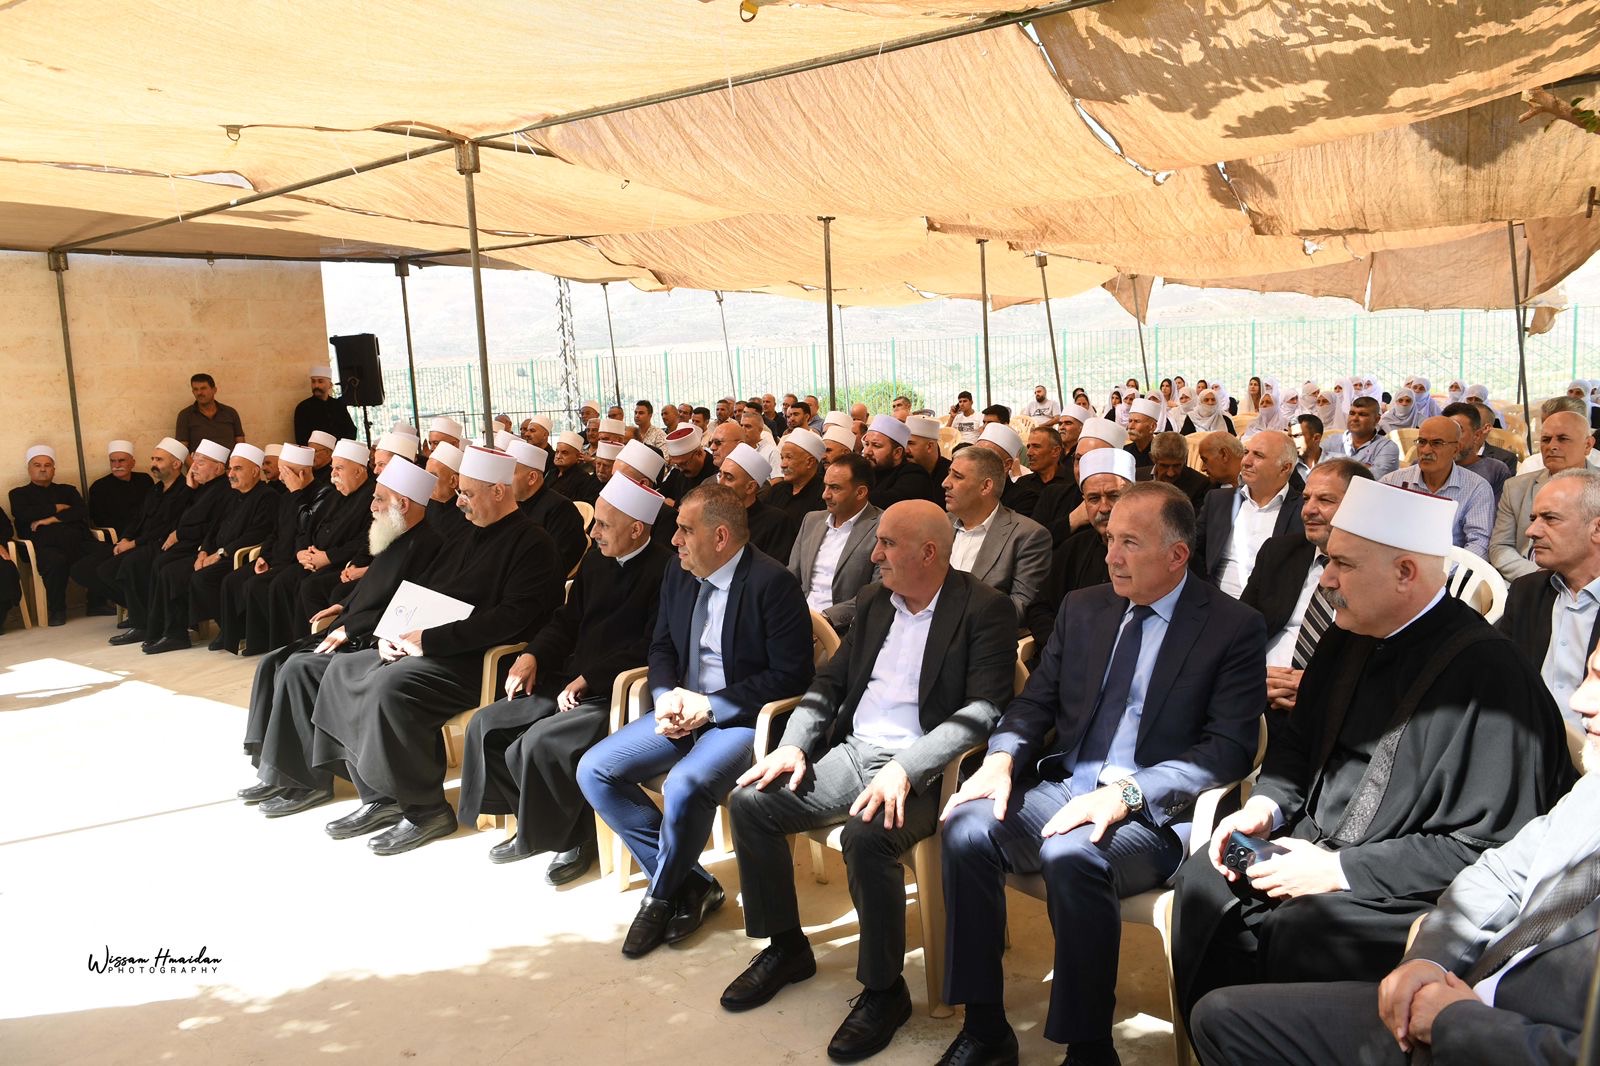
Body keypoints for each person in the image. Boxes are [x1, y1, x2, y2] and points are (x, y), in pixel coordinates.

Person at [1171, 477, 1575, 1026]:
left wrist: (1338, 870)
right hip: (1313, 841)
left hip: (1413, 888)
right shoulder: (1348, 633)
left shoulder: (1492, 679)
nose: (1326, 580)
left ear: (1405, 572)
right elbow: (1298, 746)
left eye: (1342, 564)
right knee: (1202, 878)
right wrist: (1264, 807)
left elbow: (1486, 847)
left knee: (1303, 929)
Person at [937, 481, 1265, 1066]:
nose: (1111, 555)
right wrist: (1002, 756)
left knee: (1072, 855)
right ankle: (985, 1027)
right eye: (1110, 539)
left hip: (1154, 811)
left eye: (1129, 543)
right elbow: (1036, 701)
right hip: (1068, 784)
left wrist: (1129, 793)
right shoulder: (1084, 607)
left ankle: (1089, 1047)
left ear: (1177, 555)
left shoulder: (1231, 626)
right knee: (964, 827)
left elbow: (1228, 748)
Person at [1188, 642, 1600, 1066]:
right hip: (1454, 989)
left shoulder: (1491, 671)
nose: (1578, 701)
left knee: (1303, 928)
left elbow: (1477, 843)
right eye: (1589, 673)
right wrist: (1429, 959)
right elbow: (1503, 875)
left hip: (1494, 1037)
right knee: (1218, 1004)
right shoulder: (1594, 790)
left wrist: (1455, 1020)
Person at [722, 500, 1017, 1060]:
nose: (874, 554)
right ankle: (787, 947)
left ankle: (884, 990)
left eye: (887, 543)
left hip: (927, 770)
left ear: (928, 552)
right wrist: (792, 745)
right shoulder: (876, 600)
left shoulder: (985, 609)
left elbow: (983, 710)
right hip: (855, 752)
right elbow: (829, 684)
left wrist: (908, 767)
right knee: (751, 801)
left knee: (867, 836)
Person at [578, 484, 814, 957]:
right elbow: (662, 646)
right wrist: (665, 695)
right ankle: (693, 883)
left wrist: (711, 706)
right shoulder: (679, 571)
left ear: (720, 537)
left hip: (741, 720)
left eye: (685, 530)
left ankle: (658, 897)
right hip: (681, 709)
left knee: (684, 784)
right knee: (595, 770)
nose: (675, 540)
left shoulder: (772, 583)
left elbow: (791, 676)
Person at [305, 447, 562, 854]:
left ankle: (426, 810)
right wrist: (392, 634)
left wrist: (430, 641)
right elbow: (422, 591)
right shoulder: (466, 533)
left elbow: (511, 619)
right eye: (459, 493)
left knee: (391, 687)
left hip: (481, 659)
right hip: (433, 648)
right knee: (343, 669)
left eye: (468, 494)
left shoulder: (533, 543)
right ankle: (379, 796)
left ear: (498, 491)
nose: (459, 502)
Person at [456, 476, 673, 883]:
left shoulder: (667, 570)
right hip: (570, 680)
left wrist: (590, 678)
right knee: (488, 725)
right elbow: (566, 621)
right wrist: (533, 654)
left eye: (603, 525)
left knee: (541, 743)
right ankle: (534, 821)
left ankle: (575, 839)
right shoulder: (596, 560)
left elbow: (653, 645)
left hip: (617, 692)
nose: (594, 532)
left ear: (636, 529)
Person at [241, 457, 445, 815]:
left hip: (374, 638)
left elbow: (407, 609)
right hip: (355, 626)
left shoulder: (428, 545)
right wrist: (342, 606)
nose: (372, 506)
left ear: (403, 504)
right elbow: (371, 587)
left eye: (379, 499)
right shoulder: (393, 535)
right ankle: (275, 769)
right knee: (273, 661)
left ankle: (306, 781)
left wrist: (350, 627)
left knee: (297, 669)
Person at [1240, 459, 1373, 713]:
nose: (1308, 510)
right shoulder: (1278, 552)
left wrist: (1319, 685)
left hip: (1334, 704)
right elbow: (1240, 627)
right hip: (1258, 693)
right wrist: (1252, 675)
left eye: (1325, 500)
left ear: (1360, 507)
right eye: (1306, 498)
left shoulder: (1376, 572)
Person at [143, 443, 276, 653]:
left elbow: (257, 533)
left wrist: (220, 553)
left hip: (235, 557)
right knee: (171, 571)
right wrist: (203, 552)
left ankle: (231, 628)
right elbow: (214, 528)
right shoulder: (233, 494)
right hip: (215, 553)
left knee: (201, 579)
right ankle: (174, 634)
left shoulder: (267, 496)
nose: (231, 474)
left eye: (237, 469)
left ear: (254, 471)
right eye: (231, 469)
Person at [250, 439, 374, 653]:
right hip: (315, 559)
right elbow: (307, 529)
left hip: (341, 562)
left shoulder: (371, 497)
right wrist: (302, 552)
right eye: (333, 468)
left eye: (339, 468)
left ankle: (313, 645)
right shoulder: (336, 494)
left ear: (358, 471)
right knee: (283, 582)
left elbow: (366, 540)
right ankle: (286, 645)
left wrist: (328, 557)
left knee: (308, 586)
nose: (333, 474)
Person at [1496, 468, 1600, 722]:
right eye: (1533, 518)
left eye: (1550, 518)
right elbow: (1500, 671)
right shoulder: (1526, 592)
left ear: (1597, 529)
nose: (1531, 531)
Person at [109, 440, 232, 644]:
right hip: (189, 544)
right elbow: (184, 516)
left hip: (199, 547)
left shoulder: (224, 490)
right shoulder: (199, 488)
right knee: (157, 563)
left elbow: (210, 526)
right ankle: (157, 628)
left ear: (218, 468)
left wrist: (184, 536)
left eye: (200, 463)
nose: (193, 468)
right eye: (194, 462)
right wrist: (190, 490)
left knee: (167, 569)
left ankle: (172, 632)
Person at [1026, 449, 1136, 655]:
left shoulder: (1154, 552)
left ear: (1133, 497)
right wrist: (1060, 647)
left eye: (1113, 496)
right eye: (1094, 499)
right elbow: (1039, 608)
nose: (1104, 508)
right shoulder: (1073, 548)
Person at [72, 437, 192, 623]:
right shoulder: (156, 489)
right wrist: (125, 538)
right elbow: (138, 518)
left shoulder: (185, 491)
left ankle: (142, 617)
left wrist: (133, 543)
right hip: (136, 542)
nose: (153, 464)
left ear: (176, 464)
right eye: (153, 459)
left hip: (158, 544)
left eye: (159, 460)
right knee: (83, 569)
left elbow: (166, 527)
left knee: (114, 569)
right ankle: (142, 610)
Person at [216, 444, 320, 656]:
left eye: (285, 472)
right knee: (232, 580)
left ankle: (278, 643)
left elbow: (307, 527)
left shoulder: (320, 494)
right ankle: (240, 638)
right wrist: (263, 556)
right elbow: (274, 532)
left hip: (297, 560)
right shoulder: (286, 497)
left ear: (301, 473)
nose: (280, 477)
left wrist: (298, 493)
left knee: (260, 584)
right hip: (276, 557)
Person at [942, 445, 1050, 625]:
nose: (945, 483)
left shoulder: (1027, 536)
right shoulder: (941, 523)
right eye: (949, 474)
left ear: (986, 486)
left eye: (957, 476)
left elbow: (1018, 608)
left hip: (978, 634)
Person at [1194, 430, 1302, 597]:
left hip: (1269, 607)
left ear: (1285, 468)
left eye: (1258, 455)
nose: (1245, 461)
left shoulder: (1303, 510)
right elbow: (1194, 550)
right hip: (1215, 602)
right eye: (1246, 453)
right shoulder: (1218, 501)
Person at [1491, 411, 1597, 581]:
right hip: (1527, 577)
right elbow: (1500, 546)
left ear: (1588, 445)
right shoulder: (1515, 488)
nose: (1552, 446)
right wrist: (1540, 577)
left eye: (1563, 439)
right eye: (1546, 439)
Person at [788, 454, 881, 635]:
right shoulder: (812, 520)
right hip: (797, 617)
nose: (825, 495)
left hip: (842, 629)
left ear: (860, 492)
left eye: (835, 488)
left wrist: (826, 620)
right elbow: (792, 576)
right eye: (825, 486)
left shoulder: (881, 527)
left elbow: (878, 592)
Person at [1380, 415, 1495, 559]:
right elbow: (1374, 529)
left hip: (1448, 569)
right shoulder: (1391, 482)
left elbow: (1479, 544)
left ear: (1456, 449)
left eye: (1437, 443)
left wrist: (1444, 570)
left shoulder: (1476, 489)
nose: (1426, 450)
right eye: (1422, 442)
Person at [10, 445, 94, 626]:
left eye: (47, 465)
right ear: (29, 469)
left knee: (100, 553)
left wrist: (50, 519)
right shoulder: (18, 494)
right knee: (56, 561)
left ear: (54, 469)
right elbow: (24, 514)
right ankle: (57, 610)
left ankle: (97, 603)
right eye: (37, 465)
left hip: (75, 540)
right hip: (42, 545)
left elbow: (81, 511)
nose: (43, 469)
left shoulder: (68, 490)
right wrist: (58, 507)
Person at [507, 439, 586, 578]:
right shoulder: (513, 505)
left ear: (532, 478)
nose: (503, 480)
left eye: (510, 473)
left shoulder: (561, 510)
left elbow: (556, 563)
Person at [717, 442, 798, 562]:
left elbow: (774, 568)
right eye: (720, 475)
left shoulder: (776, 522)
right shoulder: (712, 514)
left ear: (750, 487)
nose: (720, 483)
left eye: (729, 478)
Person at [863, 415, 941, 510]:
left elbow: (889, 503)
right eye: (866, 444)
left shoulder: (915, 475)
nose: (867, 451)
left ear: (897, 452)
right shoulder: (866, 469)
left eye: (876, 445)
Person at [1445, 401, 1511, 504]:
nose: (1450, 437)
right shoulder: (1428, 465)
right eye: (1446, 431)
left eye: (1459, 430)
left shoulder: (1496, 470)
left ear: (1477, 435)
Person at [88, 439, 154, 538]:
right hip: (120, 536)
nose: (117, 465)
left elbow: (154, 508)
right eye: (112, 461)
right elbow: (100, 520)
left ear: (133, 463)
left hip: (150, 531)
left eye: (121, 460)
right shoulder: (99, 487)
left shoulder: (145, 480)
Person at [765, 428, 826, 523]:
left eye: (789, 457)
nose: (783, 464)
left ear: (809, 462)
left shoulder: (824, 495)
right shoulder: (776, 490)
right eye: (782, 458)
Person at [175, 373, 246, 452]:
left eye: (203, 388)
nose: (199, 393)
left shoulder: (230, 413)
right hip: (199, 460)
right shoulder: (185, 415)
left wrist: (237, 460)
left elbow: (241, 444)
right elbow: (182, 450)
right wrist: (193, 461)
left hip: (229, 460)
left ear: (214, 390)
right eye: (195, 389)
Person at [293, 364, 357, 445]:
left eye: (320, 381)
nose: (316, 385)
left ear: (330, 385)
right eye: (313, 381)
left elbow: (351, 431)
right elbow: (301, 439)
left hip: (340, 450)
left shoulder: (338, 405)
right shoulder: (303, 408)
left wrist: (341, 447)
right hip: (316, 452)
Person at [1339, 395, 1400, 478]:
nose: (1355, 418)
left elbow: (1375, 477)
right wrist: (1363, 467)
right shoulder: (1332, 441)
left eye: (1362, 414)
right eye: (1352, 413)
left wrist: (1336, 463)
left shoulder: (1387, 447)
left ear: (1376, 419)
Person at [1147, 431, 1209, 509]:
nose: (1170, 473)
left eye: (1177, 466)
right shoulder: (1137, 477)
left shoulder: (1200, 485)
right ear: (1152, 458)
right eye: (1164, 466)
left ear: (1185, 458)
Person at [659, 425, 716, 506]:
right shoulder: (680, 470)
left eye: (684, 463)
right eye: (677, 465)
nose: (681, 470)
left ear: (699, 453)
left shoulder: (716, 473)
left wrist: (675, 506)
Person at [549, 431, 600, 504]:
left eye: (564, 453)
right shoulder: (551, 473)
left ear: (577, 456)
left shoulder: (583, 479)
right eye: (557, 452)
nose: (558, 456)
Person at [905, 415, 951, 490]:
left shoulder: (950, 474)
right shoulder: (900, 470)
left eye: (910, 443)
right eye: (904, 443)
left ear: (929, 446)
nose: (906, 450)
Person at [1124, 397, 1162, 470]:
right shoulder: (1125, 452)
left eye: (1137, 421)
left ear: (1152, 427)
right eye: (1130, 421)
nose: (1130, 426)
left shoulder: (1162, 453)